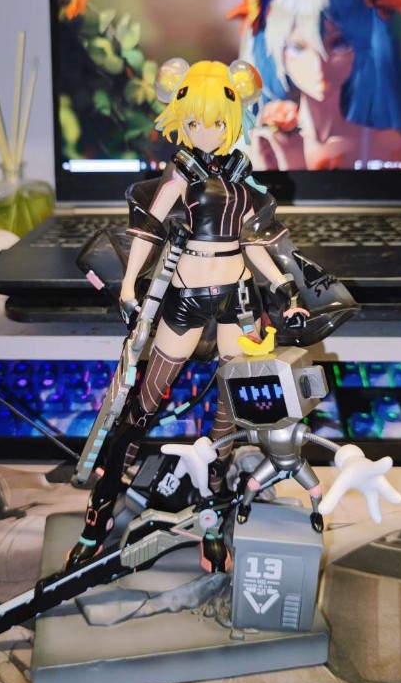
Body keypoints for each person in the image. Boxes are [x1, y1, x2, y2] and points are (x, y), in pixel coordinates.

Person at [65, 58, 312, 571]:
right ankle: (100, 514)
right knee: (141, 405)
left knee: (229, 416)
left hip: (237, 299)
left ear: (233, 119)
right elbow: (149, 227)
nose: (205, 130)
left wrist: (285, 286)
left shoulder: (241, 174)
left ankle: (212, 516)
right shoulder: (182, 171)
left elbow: (254, 243)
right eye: (195, 121)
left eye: (216, 121)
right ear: (181, 118)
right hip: (185, 297)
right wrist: (129, 284)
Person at [234, 0, 401, 171]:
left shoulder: (386, 145)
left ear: (359, 46)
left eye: (338, 44)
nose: (319, 64)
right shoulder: (260, 145)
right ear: (278, 52)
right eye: (298, 47)